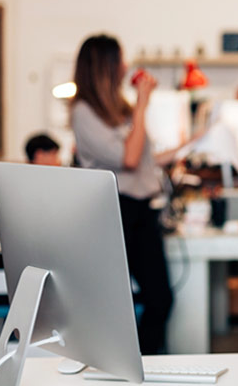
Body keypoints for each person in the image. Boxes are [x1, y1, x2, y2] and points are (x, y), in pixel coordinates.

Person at [70, 34, 187, 354]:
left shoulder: (119, 109)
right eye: (119, 60)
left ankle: (142, 365)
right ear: (104, 65)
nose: (125, 66)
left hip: (141, 211)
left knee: (160, 299)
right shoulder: (83, 112)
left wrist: (188, 145)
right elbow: (130, 158)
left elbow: (143, 159)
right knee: (114, 303)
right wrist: (143, 105)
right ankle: (123, 364)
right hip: (114, 211)